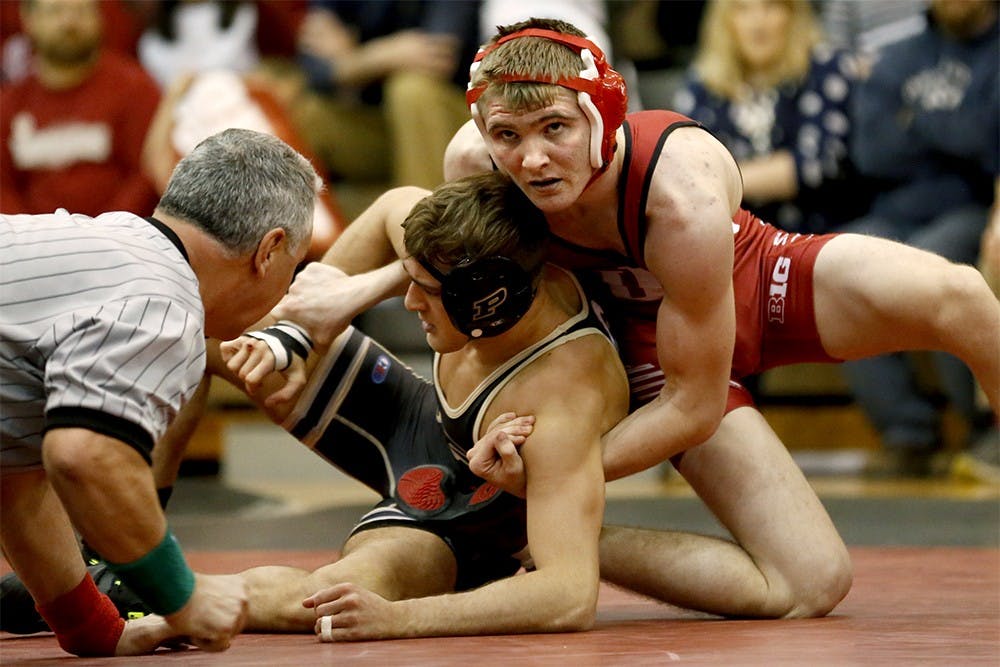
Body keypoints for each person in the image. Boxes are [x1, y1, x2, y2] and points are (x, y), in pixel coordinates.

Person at [434, 17, 999, 619]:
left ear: (604, 117)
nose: (533, 160)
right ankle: (515, 538)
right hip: (642, 354)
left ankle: (535, 523)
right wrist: (364, 285)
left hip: (750, 276)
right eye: (508, 135)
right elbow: (434, 266)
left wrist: (556, 478)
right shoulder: (474, 166)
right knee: (811, 582)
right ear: (485, 131)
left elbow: (695, 408)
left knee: (960, 295)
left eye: (555, 128)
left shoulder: (681, 193)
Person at [209, 171, 629, 639]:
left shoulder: (564, 396)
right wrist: (296, 333)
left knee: (328, 599)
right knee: (211, 331)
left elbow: (569, 595)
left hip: (474, 514)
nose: (408, 302)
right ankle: (149, 531)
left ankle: (164, 595)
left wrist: (401, 618)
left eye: (427, 290)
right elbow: (394, 204)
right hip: (417, 419)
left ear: (487, 303)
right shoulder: (466, 248)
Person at [0, 128, 319, 656]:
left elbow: (18, 483)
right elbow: (85, 456)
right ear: (270, 250)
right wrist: (182, 596)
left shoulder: (98, 246)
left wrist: (97, 630)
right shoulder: (163, 303)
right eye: (295, 266)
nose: (285, 287)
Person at [836, 0, 998, 476]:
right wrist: (957, 127)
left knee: (940, 261)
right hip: (897, 211)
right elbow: (872, 152)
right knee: (840, 261)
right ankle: (907, 432)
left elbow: (988, 142)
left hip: (973, 209)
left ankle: (982, 427)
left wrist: (916, 119)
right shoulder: (899, 54)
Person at [672, 0, 870, 235]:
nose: (758, 24)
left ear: (793, 14)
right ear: (724, 22)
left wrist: (723, 181)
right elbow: (688, 174)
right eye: (742, 9)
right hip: (736, 241)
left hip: (825, 235)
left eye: (770, 7)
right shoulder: (702, 85)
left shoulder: (825, 67)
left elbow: (816, 165)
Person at [260, 0, 481, 190]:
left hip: (457, 124)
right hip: (379, 126)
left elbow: (438, 57)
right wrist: (379, 57)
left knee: (412, 91)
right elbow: (313, 70)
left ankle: (427, 217)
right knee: (307, 112)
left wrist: (351, 60)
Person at [0, 0, 161, 216]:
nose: (69, 22)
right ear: (28, 19)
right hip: (33, 233)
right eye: (56, 11)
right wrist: (29, 229)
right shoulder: (11, 104)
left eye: (81, 11)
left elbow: (148, 171)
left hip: (121, 231)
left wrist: (105, 229)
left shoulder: (136, 89)